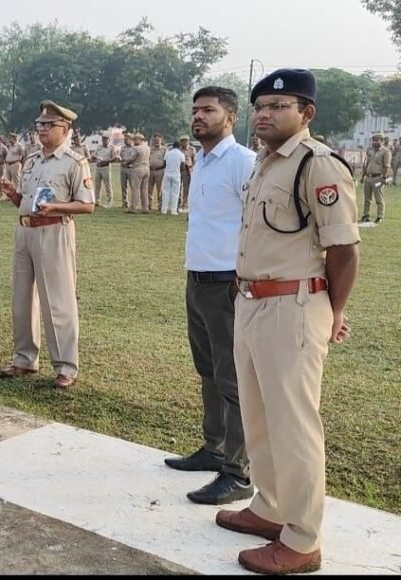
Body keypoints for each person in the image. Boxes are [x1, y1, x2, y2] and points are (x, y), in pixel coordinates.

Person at [216, 69, 359, 575]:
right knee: (259, 415)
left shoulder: (318, 166)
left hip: (294, 306)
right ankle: (270, 506)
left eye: (279, 105)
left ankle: (302, 539)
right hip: (253, 302)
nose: (265, 114)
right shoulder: (265, 164)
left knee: (294, 424)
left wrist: (333, 312)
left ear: (306, 113)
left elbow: (343, 250)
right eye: (260, 106)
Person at [163, 86, 257, 506]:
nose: (198, 116)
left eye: (208, 110)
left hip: (227, 283)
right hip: (197, 279)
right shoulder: (200, 160)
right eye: (195, 110)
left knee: (232, 377)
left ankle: (238, 472)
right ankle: (214, 448)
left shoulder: (243, 163)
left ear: (230, 117)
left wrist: (243, 273)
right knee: (208, 370)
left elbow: (258, 225)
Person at [0, 101, 95, 390]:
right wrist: (13, 194)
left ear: (65, 129)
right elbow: (25, 200)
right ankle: (24, 358)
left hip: (54, 231)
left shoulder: (74, 162)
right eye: (39, 124)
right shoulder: (31, 160)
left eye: (48, 125)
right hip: (25, 230)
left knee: (58, 300)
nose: (42, 130)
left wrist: (56, 207)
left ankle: (65, 365)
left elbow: (87, 205)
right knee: (21, 298)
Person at [360, 133, 390, 224]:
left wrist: (384, 177)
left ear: (382, 141)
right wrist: (362, 176)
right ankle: (366, 215)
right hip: (368, 177)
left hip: (378, 177)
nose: (374, 142)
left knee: (379, 198)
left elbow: (386, 166)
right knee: (367, 198)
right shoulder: (370, 151)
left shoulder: (385, 152)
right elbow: (366, 163)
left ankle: (380, 216)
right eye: (373, 140)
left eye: (377, 140)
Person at [160, 138, 185, 215]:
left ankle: (164, 209)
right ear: (179, 146)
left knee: (166, 192)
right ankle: (173, 210)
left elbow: (164, 164)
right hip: (176, 174)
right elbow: (182, 166)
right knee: (175, 193)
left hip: (167, 173)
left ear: (172, 146)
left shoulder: (167, 153)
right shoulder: (181, 154)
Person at [127, 133, 150, 214]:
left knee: (135, 189)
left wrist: (126, 162)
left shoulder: (137, 148)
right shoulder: (147, 148)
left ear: (140, 140)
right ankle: (145, 208)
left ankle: (133, 207)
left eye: (135, 140)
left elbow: (131, 158)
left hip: (138, 168)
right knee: (144, 189)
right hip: (147, 168)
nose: (134, 141)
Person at [91, 134, 115, 208]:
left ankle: (109, 202)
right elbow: (93, 154)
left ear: (109, 140)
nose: (104, 141)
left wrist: (106, 160)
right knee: (97, 185)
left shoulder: (111, 148)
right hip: (98, 167)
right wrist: (95, 157)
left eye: (106, 139)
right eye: (103, 139)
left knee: (107, 185)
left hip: (106, 167)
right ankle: (97, 200)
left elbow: (114, 157)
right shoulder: (99, 147)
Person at [148, 133, 166, 210]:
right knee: (149, 189)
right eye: (155, 140)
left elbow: (166, 161)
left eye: (158, 140)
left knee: (160, 189)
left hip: (160, 171)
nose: (156, 142)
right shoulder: (149, 149)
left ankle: (160, 205)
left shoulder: (164, 149)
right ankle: (149, 204)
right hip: (150, 170)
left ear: (161, 141)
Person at [178, 135, 196, 212]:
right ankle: (177, 204)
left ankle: (185, 205)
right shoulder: (178, 150)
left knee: (186, 188)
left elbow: (194, 160)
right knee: (178, 188)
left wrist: (192, 169)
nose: (184, 142)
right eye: (183, 141)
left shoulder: (192, 149)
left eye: (186, 141)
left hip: (187, 170)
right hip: (179, 170)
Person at [119, 134, 135, 209]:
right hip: (123, 168)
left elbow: (132, 159)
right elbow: (121, 156)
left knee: (133, 186)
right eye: (124, 140)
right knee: (123, 186)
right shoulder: (123, 148)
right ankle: (124, 202)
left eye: (127, 139)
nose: (125, 141)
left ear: (131, 140)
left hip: (130, 169)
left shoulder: (134, 148)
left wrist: (126, 161)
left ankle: (133, 203)